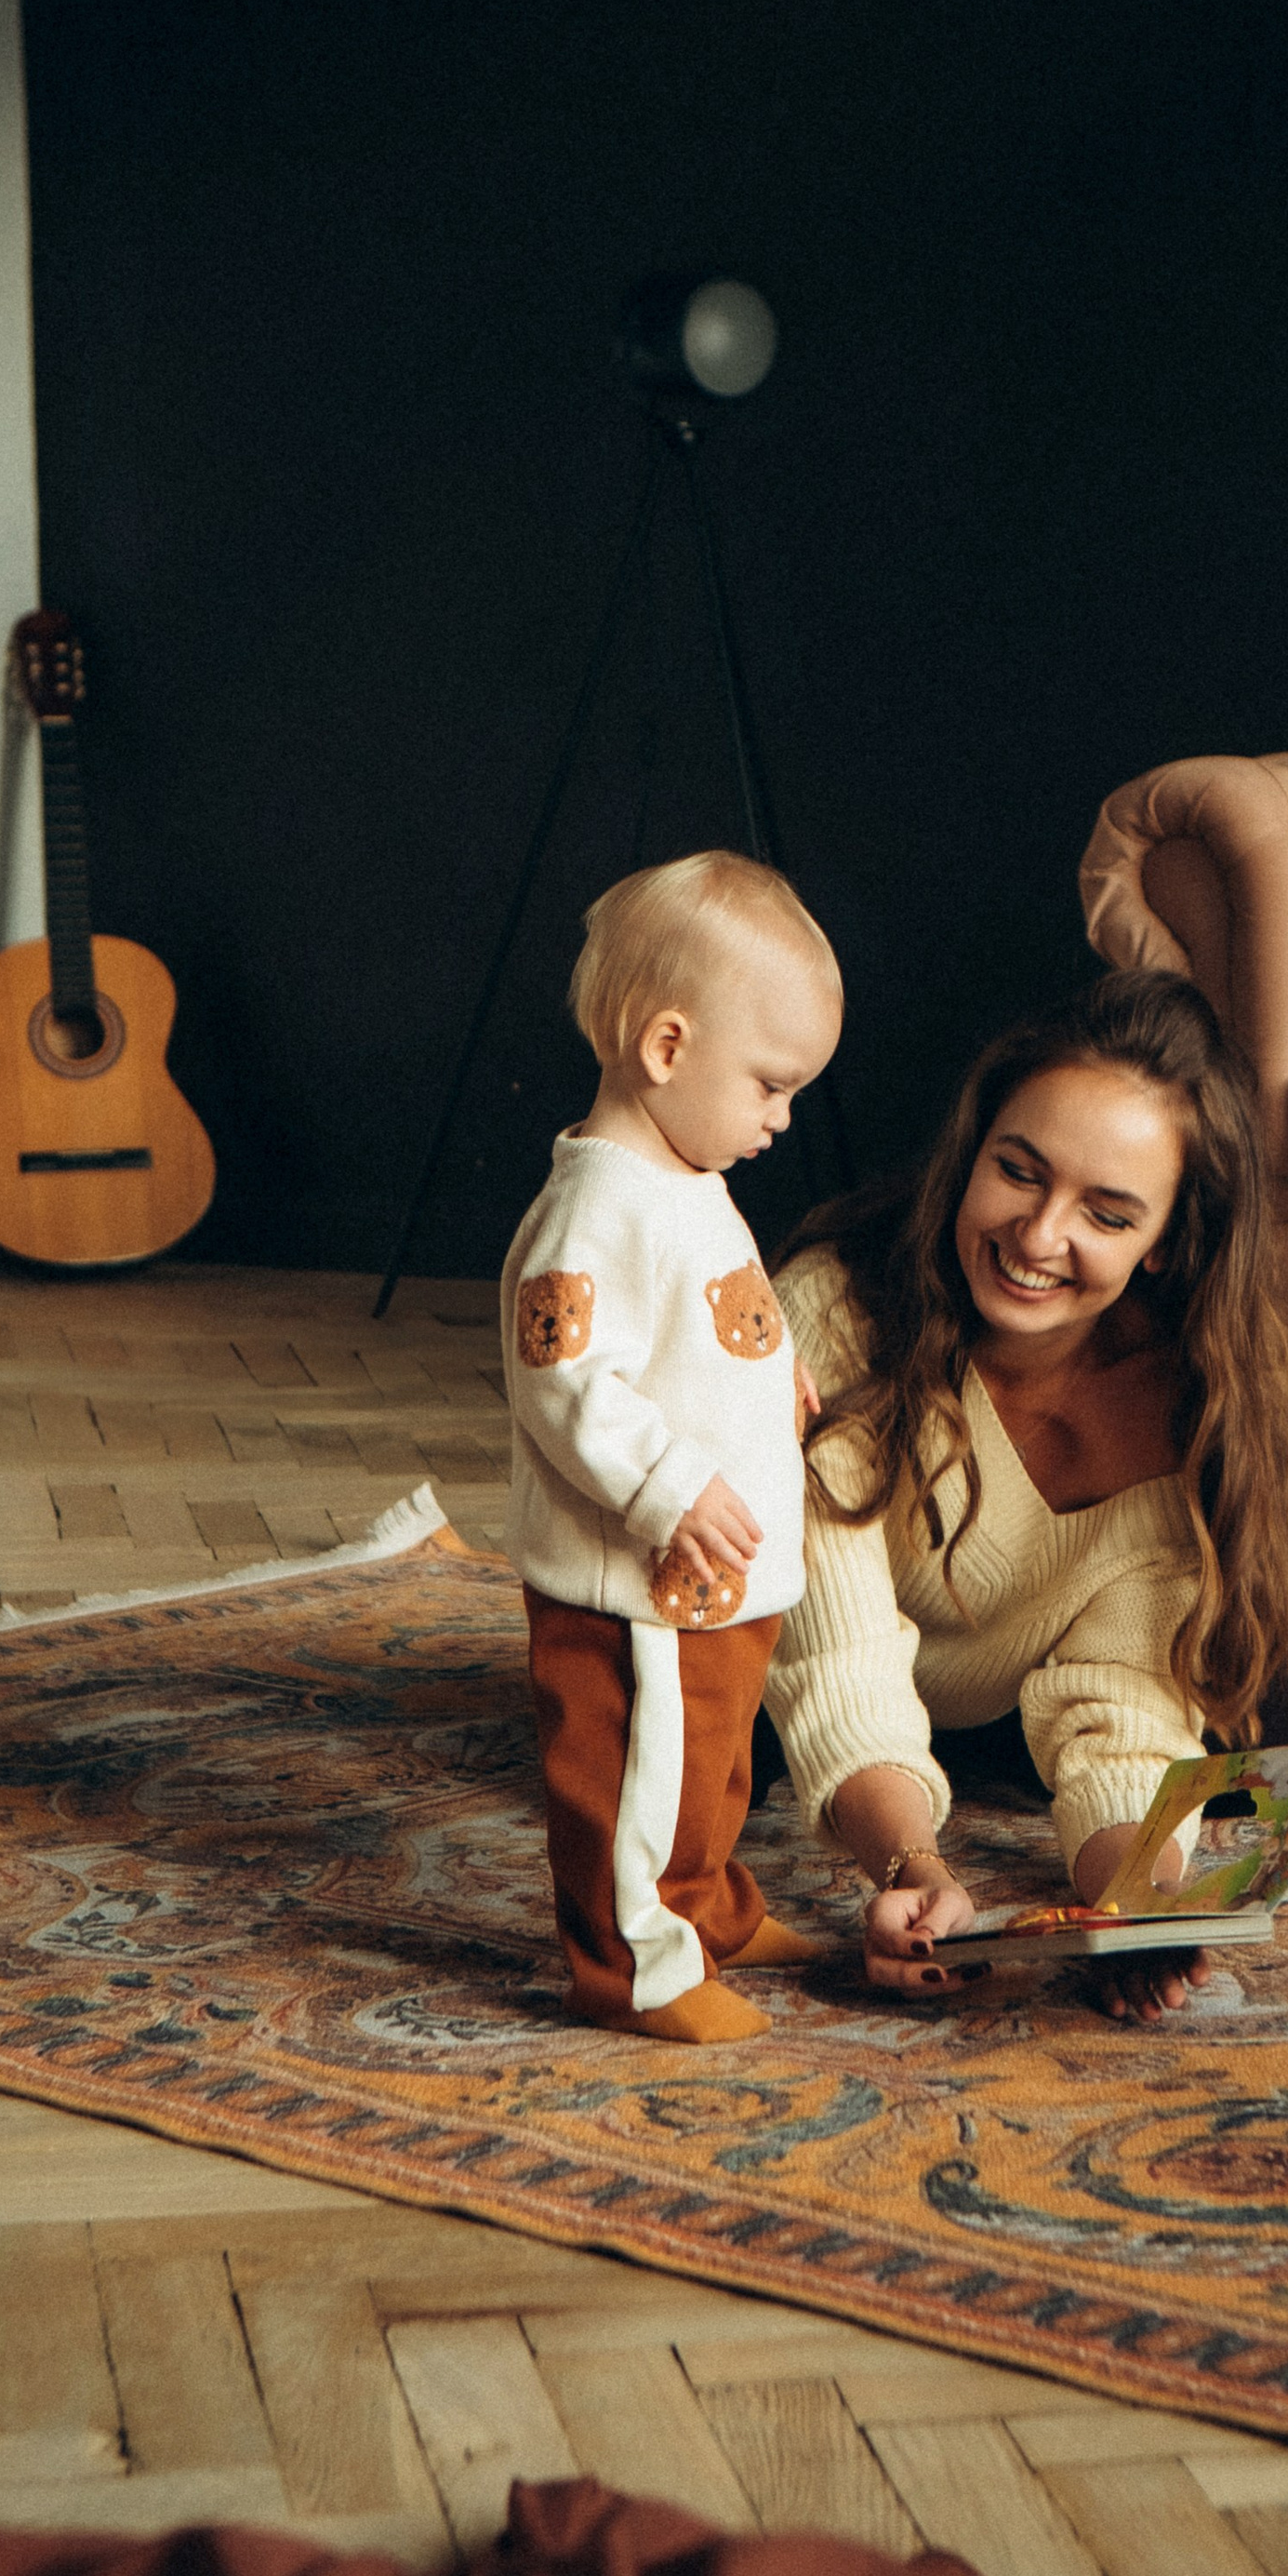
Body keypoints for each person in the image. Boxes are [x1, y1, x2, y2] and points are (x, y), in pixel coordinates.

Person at [766, 967, 1288, 2024]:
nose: (1036, 1236)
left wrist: (1139, 1900)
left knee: (1254, 1707)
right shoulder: (831, 1314)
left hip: (1000, 1694)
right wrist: (908, 1872)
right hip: (798, 1659)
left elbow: (1117, 1710)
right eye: (1018, 1172)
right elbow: (830, 1657)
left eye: (1105, 1214)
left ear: (1167, 1242)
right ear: (971, 1150)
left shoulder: (1192, 1412)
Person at [501, 850, 842, 2041]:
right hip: (635, 1587)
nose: (779, 1119)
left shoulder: (682, 1172)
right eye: (769, 1085)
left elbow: (706, 1305)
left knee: (709, 1771)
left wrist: (774, 1363)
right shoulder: (595, 1205)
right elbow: (564, 1378)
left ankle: (705, 1909)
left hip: (711, 1581)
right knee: (634, 1788)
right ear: (665, 1049)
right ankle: (631, 1968)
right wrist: (665, 1483)